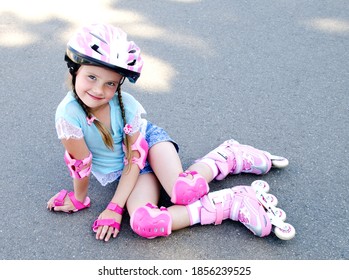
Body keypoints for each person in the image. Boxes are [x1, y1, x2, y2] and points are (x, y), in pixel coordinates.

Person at [47, 23, 290, 242]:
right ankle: (233, 202)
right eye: (92, 77)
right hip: (132, 172)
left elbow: (135, 157)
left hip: (149, 146)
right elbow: (81, 165)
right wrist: (79, 199)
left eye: (110, 83)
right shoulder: (68, 117)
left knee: (184, 191)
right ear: (74, 70)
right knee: (145, 223)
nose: (99, 90)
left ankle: (227, 156)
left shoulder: (126, 106)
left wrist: (114, 206)